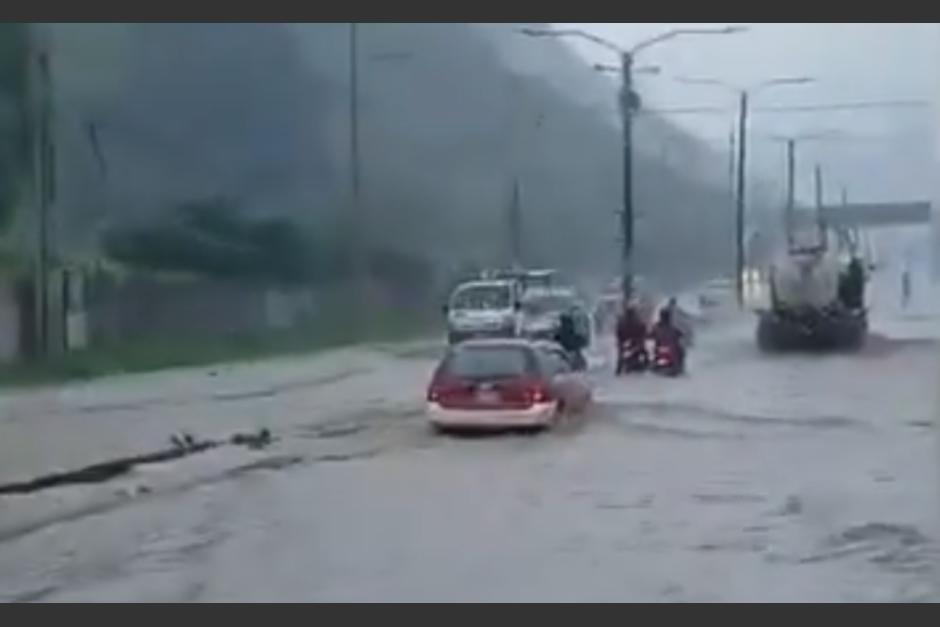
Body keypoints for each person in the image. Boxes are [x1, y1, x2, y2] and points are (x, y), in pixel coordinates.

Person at [649, 307, 686, 372]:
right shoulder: (671, 328)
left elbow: (650, 336)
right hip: (664, 352)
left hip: (665, 352)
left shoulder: (658, 327)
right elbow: (681, 335)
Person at [615, 303, 648, 374]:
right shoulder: (636, 320)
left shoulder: (624, 320)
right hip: (631, 341)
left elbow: (618, 331)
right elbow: (643, 329)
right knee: (644, 351)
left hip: (629, 341)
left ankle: (619, 368)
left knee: (621, 354)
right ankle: (646, 364)